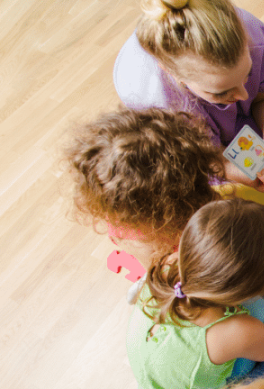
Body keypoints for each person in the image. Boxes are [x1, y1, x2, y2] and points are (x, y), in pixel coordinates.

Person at [113, 0, 264, 193]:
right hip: (192, 132)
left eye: (247, 74)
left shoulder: (255, 38)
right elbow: (202, 157)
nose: (243, 95)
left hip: (214, 101)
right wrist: (232, 170)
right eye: (221, 91)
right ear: (176, 76)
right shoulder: (159, 104)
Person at [127, 199, 264, 388]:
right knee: (262, 313)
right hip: (187, 381)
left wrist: (261, 273)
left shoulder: (170, 262)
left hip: (153, 368)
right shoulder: (238, 332)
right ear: (246, 289)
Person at [65, 108, 231, 301]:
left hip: (173, 240)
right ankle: (155, 282)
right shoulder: (133, 227)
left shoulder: (191, 219)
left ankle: (156, 279)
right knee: (156, 263)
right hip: (160, 244)